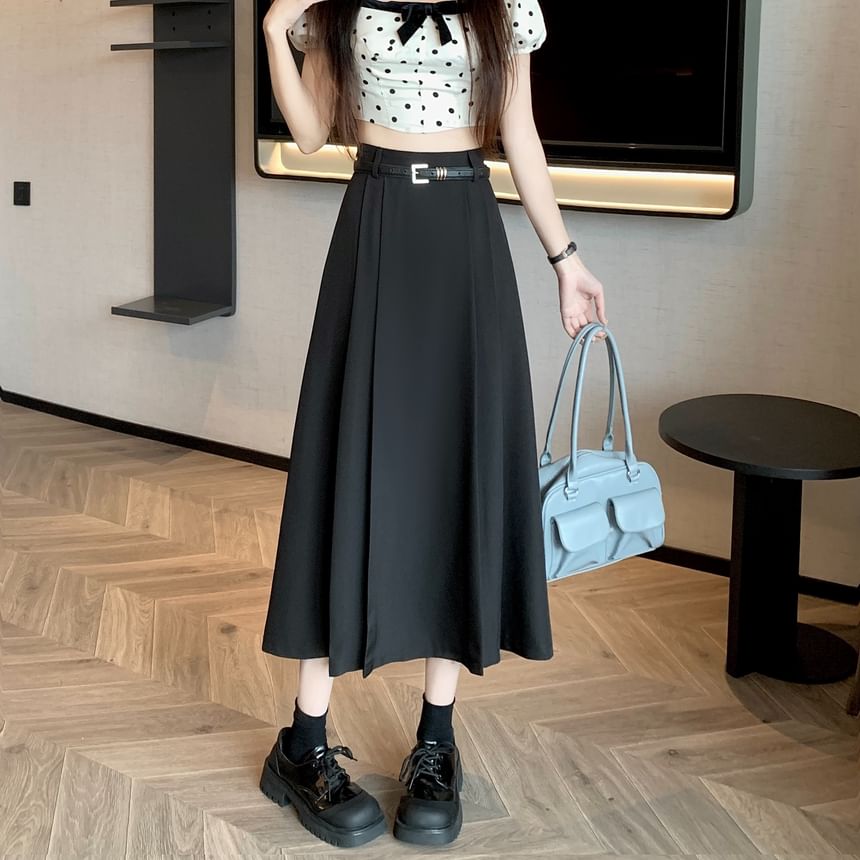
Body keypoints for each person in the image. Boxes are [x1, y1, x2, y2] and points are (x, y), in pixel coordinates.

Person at [258, 0, 608, 848]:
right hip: (374, 224)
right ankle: (302, 745)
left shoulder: (505, 6)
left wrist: (565, 261)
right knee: (345, 468)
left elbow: (519, 134)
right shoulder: (336, 7)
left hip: (465, 233)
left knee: (458, 473)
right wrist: (274, 31)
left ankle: (436, 741)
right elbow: (308, 133)